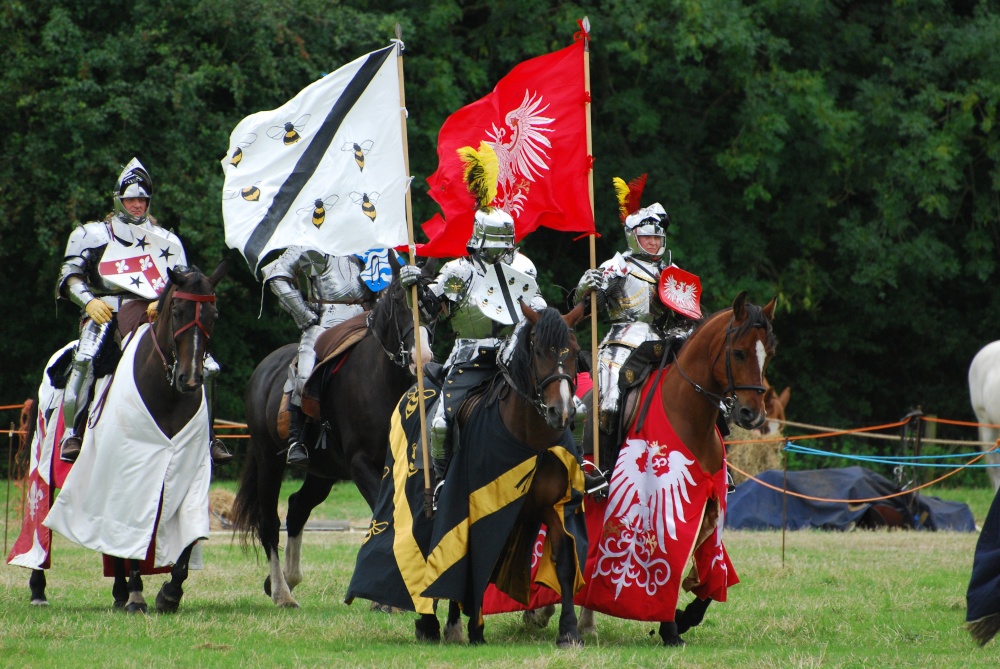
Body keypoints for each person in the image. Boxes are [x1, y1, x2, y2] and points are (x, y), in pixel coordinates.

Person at [400, 142, 607, 496]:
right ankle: (443, 481)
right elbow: (429, 309)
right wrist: (412, 288)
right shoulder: (459, 271)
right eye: (495, 243)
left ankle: (578, 468)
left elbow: (541, 315)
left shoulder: (523, 267)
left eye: (505, 244)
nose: (501, 251)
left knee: (571, 405)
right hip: (470, 355)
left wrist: (580, 297)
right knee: (441, 422)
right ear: (479, 241)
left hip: (518, 351)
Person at [56, 157, 232, 466]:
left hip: (155, 313)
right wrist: (89, 301)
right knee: (85, 358)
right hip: (105, 311)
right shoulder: (92, 234)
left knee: (207, 364)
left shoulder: (167, 241)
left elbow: (182, 283)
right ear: (118, 199)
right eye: (131, 199)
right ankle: (73, 434)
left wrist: (163, 300)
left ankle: (209, 437)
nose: (137, 205)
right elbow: (69, 275)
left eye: (143, 199)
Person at [574, 174, 701, 445]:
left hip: (663, 342)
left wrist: (683, 331)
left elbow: (688, 315)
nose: (653, 242)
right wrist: (585, 287)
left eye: (657, 237)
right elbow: (587, 308)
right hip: (621, 343)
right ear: (633, 238)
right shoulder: (617, 266)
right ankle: (600, 457)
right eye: (647, 237)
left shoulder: (672, 272)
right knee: (610, 404)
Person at [262, 248, 385, 466]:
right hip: (325, 322)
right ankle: (297, 439)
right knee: (305, 374)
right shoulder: (310, 240)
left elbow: (388, 278)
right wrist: (303, 313)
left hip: (371, 320)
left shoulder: (370, 240)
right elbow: (275, 274)